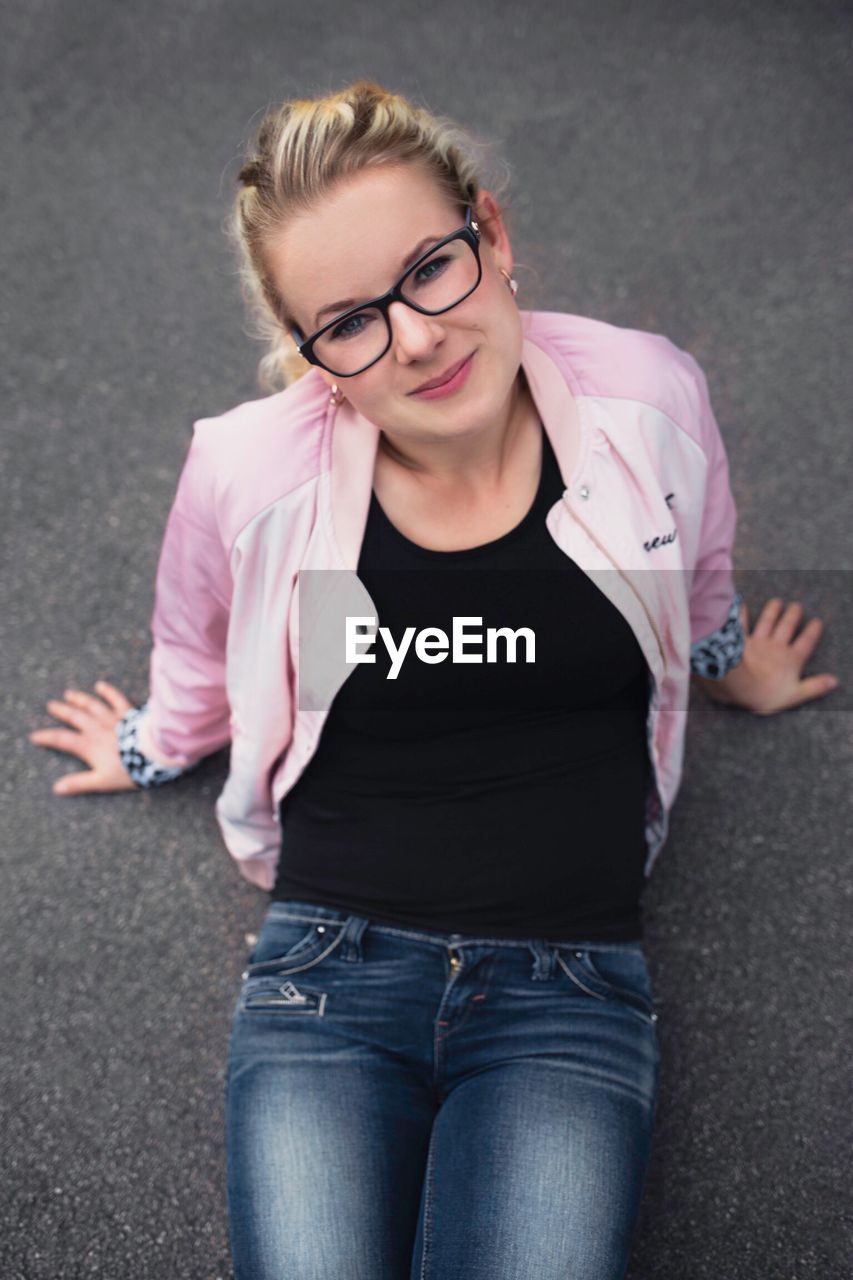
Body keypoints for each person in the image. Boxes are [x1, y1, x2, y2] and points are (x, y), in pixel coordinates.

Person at [29, 79, 839, 1279]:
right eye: (348, 321)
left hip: (571, 982)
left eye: (430, 269)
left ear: (492, 236)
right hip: (324, 974)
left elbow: (696, 550)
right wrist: (155, 739)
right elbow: (201, 636)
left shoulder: (647, 398)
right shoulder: (247, 470)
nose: (413, 335)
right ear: (312, 358)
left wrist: (722, 658)